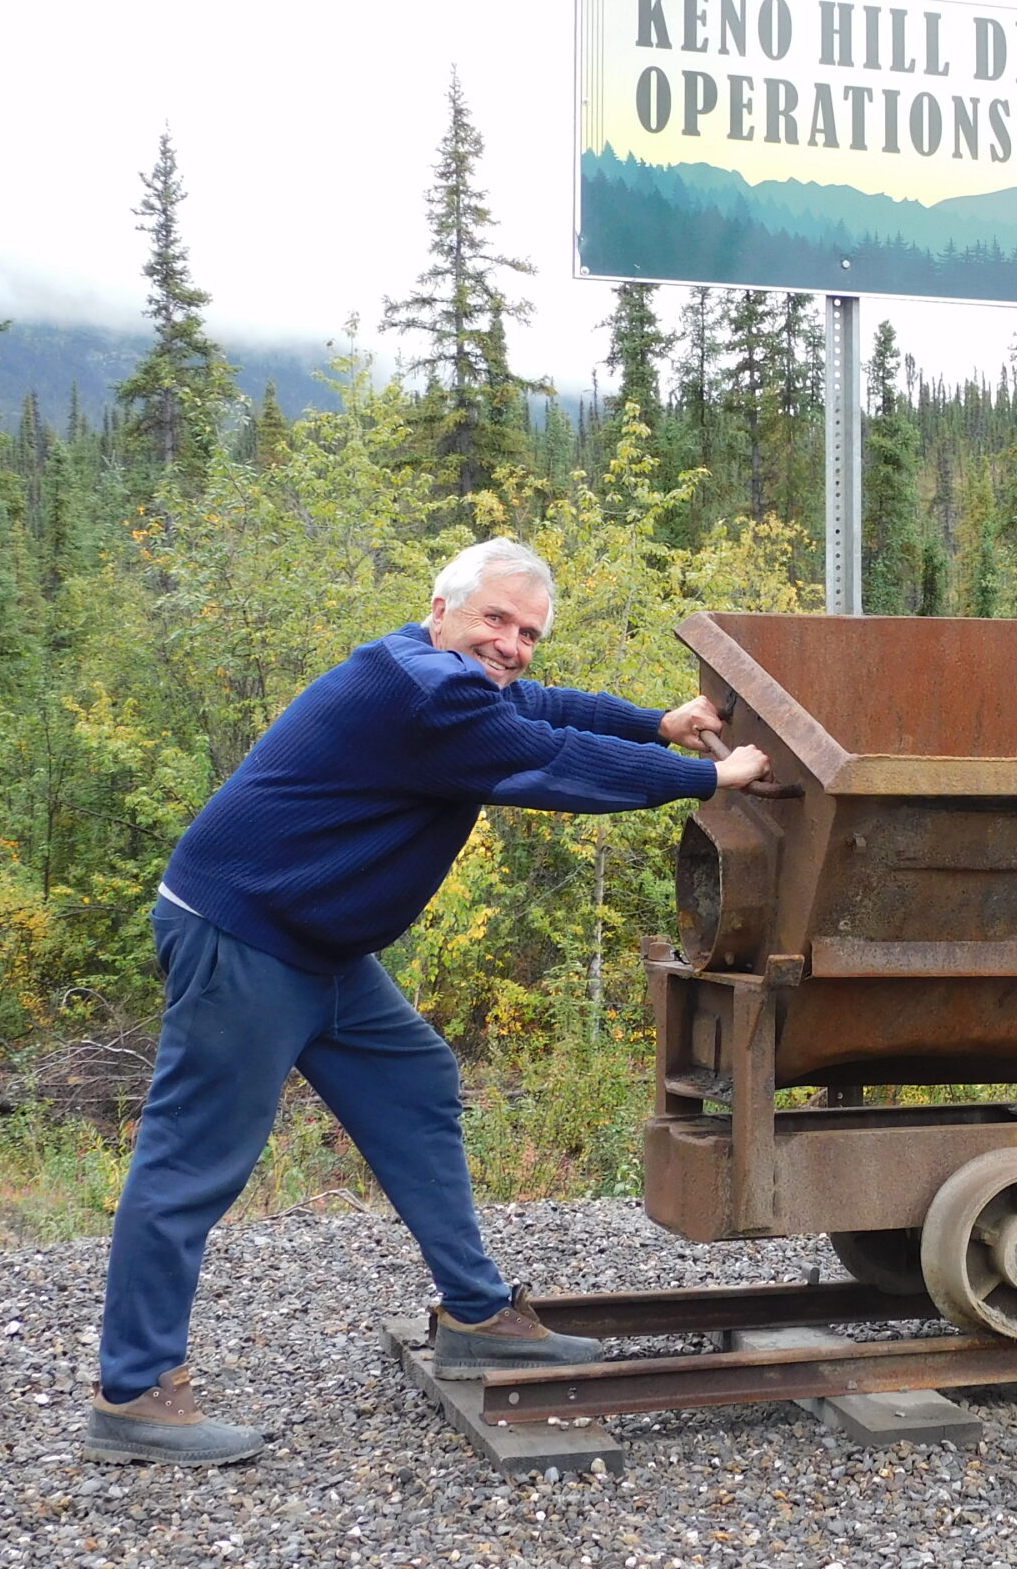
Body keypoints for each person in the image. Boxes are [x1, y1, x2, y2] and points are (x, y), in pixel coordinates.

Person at [83, 538, 770, 1465]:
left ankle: (478, 1314)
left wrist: (658, 723)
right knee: (192, 1162)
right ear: (440, 609)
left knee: (414, 1080)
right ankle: (133, 1393)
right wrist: (706, 776)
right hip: (243, 936)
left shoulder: (448, 677)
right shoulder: (424, 690)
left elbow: (548, 708)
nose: (512, 645)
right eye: (496, 619)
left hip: (318, 944)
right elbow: (551, 762)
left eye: (528, 632)